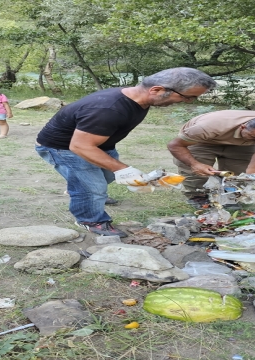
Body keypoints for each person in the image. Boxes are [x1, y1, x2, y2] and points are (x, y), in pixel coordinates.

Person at [35, 67, 217, 237]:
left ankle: (79, 188)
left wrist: (118, 170)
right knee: (93, 187)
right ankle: (91, 220)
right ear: (157, 90)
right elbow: (80, 146)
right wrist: (124, 169)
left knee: (106, 177)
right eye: (187, 97)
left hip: (97, 145)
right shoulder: (108, 108)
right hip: (63, 147)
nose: (188, 102)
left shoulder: (138, 100)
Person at [167, 110, 255, 208]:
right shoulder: (208, 126)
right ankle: (198, 197)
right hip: (204, 139)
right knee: (197, 173)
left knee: (239, 174)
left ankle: (229, 197)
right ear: (243, 127)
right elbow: (176, 145)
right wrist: (195, 164)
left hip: (242, 143)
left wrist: (254, 168)